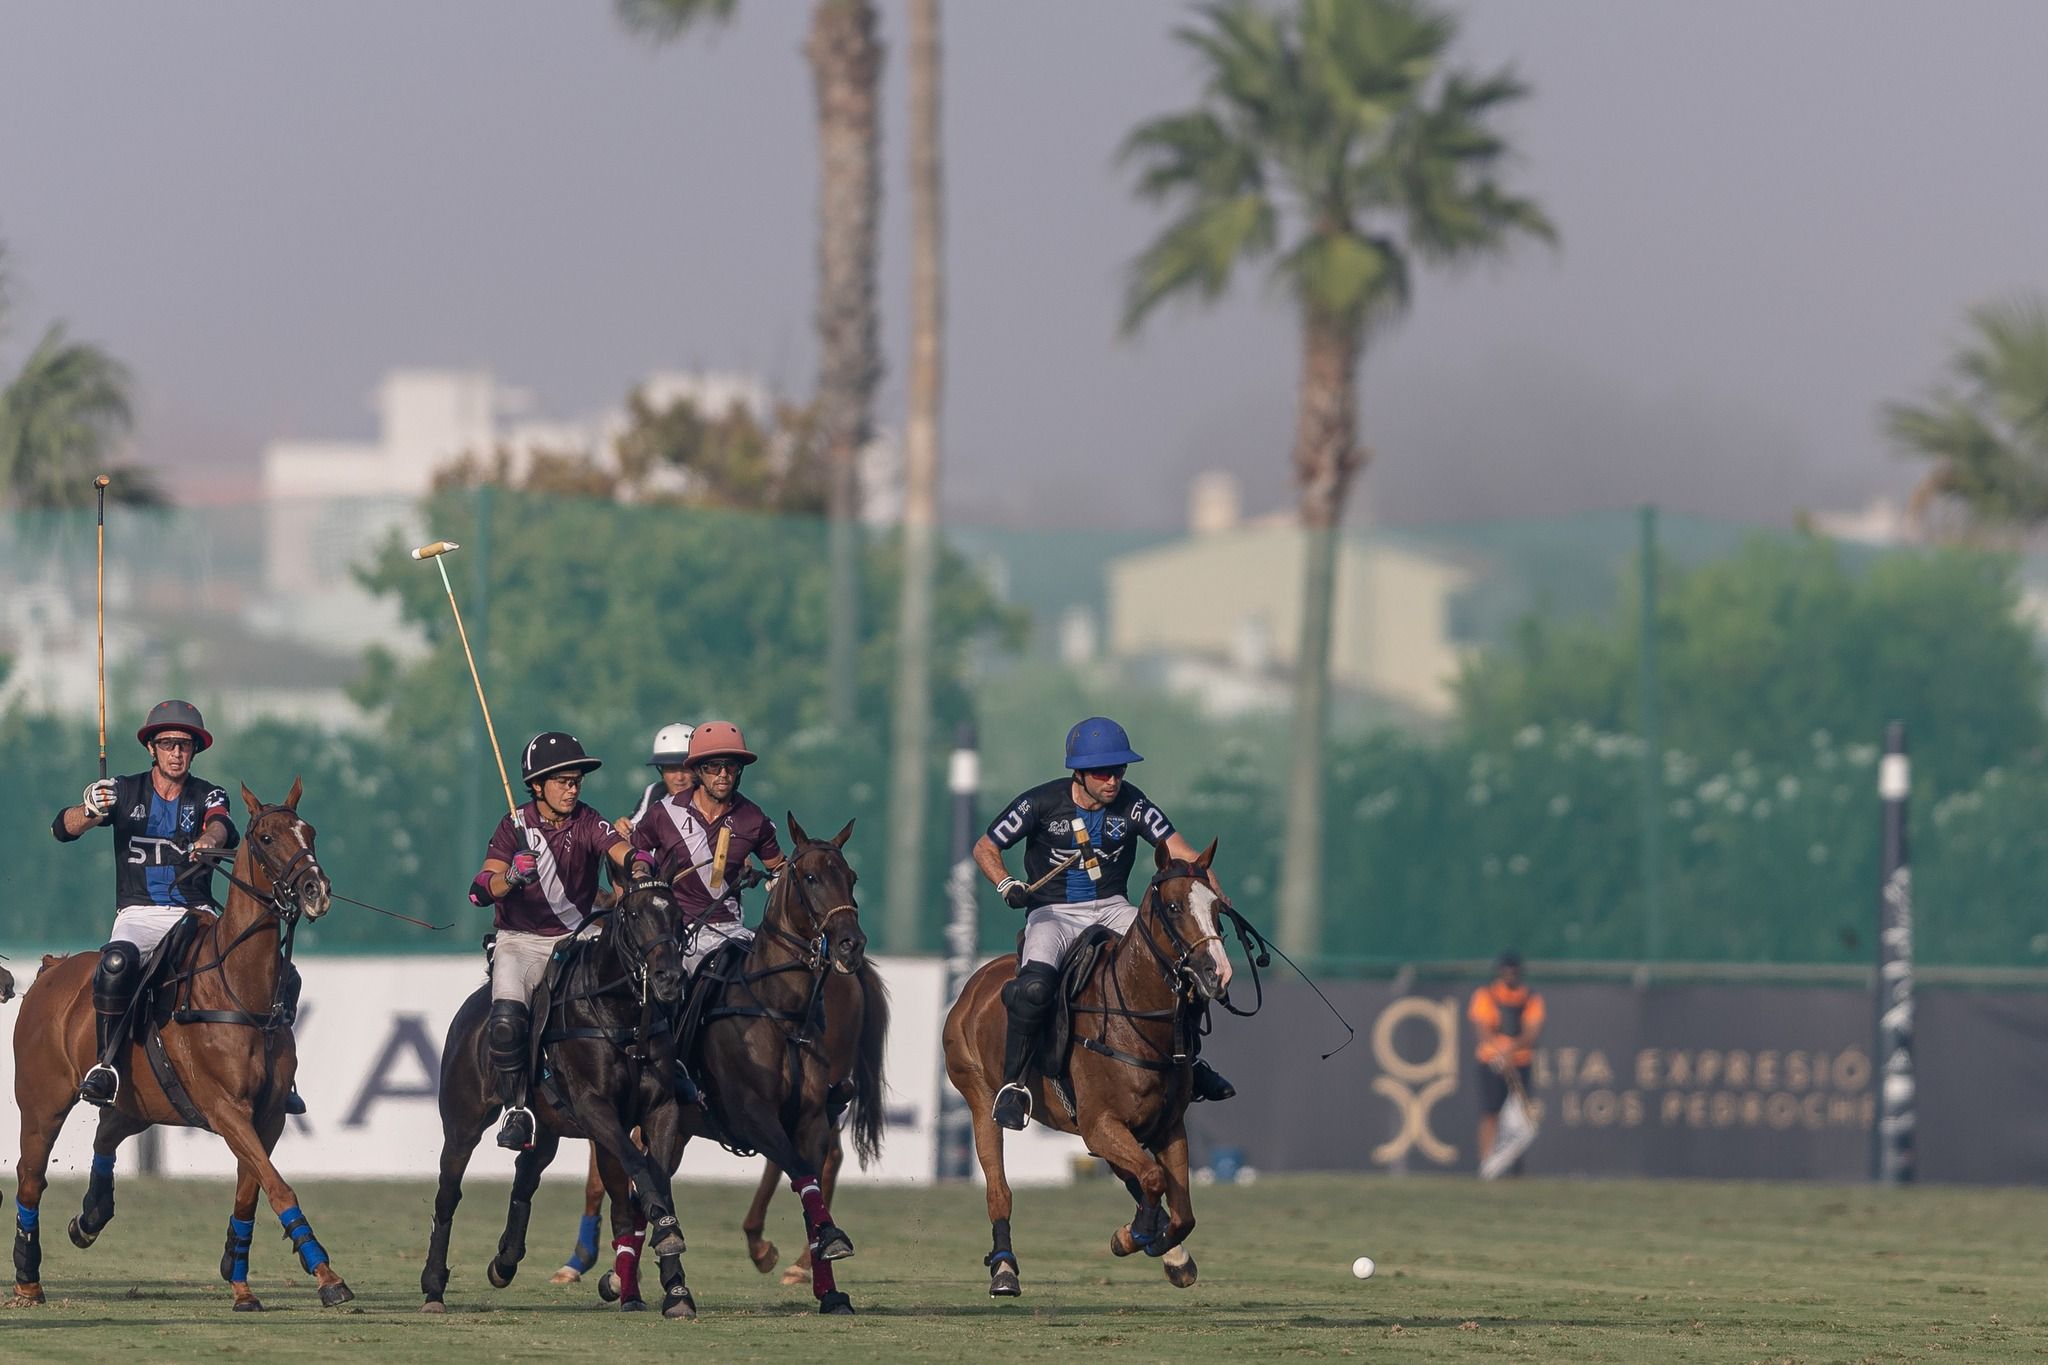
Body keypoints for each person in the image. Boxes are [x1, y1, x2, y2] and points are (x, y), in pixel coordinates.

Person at [974, 716, 1237, 1131]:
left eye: (1119, 770)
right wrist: (1007, 883)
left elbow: (1183, 854)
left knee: (1180, 963)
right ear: (1078, 773)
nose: (1113, 780)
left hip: (1113, 907)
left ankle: (1192, 1062)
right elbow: (986, 846)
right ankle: (1013, 1085)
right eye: (1103, 772)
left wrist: (1216, 897)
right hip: (1053, 912)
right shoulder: (1039, 803)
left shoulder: (1133, 803)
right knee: (1034, 987)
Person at [50, 700, 301, 1110]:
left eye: (184, 744)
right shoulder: (125, 790)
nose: (176, 752)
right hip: (139, 914)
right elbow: (63, 829)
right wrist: (91, 809)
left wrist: (209, 840)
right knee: (115, 964)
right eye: (167, 743)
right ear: (152, 748)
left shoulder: (207, 794)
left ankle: (280, 1075)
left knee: (283, 973)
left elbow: (221, 824)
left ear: (194, 750)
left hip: (197, 915)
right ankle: (105, 1066)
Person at [468, 731, 655, 1150]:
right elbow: (480, 889)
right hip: (521, 941)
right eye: (563, 781)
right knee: (504, 1021)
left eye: (576, 781)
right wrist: (511, 877)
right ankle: (518, 1108)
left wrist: (641, 862)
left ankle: (658, 1077)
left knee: (643, 987)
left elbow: (619, 849)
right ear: (537, 785)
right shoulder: (511, 827)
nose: (572, 789)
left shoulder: (588, 821)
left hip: (579, 937)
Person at [628, 721, 785, 979]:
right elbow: (638, 851)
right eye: (713, 766)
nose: (722, 774)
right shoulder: (663, 813)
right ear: (699, 770)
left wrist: (773, 880)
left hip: (732, 932)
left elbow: (778, 868)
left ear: (739, 771)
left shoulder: (754, 819)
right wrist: (642, 872)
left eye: (730, 766)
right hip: (677, 930)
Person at [1469, 950, 1545, 1170]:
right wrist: (1500, 1051)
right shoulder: (1486, 995)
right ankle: (1487, 1164)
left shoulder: (1531, 998)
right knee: (1490, 1112)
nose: (1510, 975)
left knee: (1521, 1119)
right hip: (1491, 1063)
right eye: (1506, 971)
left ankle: (1513, 1166)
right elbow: (1483, 1030)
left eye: (1514, 971)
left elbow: (1532, 1032)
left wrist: (1511, 1049)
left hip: (1520, 1063)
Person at [613, 722, 694, 839]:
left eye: (685, 768)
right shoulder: (655, 792)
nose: (679, 777)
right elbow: (632, 827)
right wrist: (622, 828)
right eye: (671, 769)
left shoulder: (710, 802)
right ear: (661, 771)